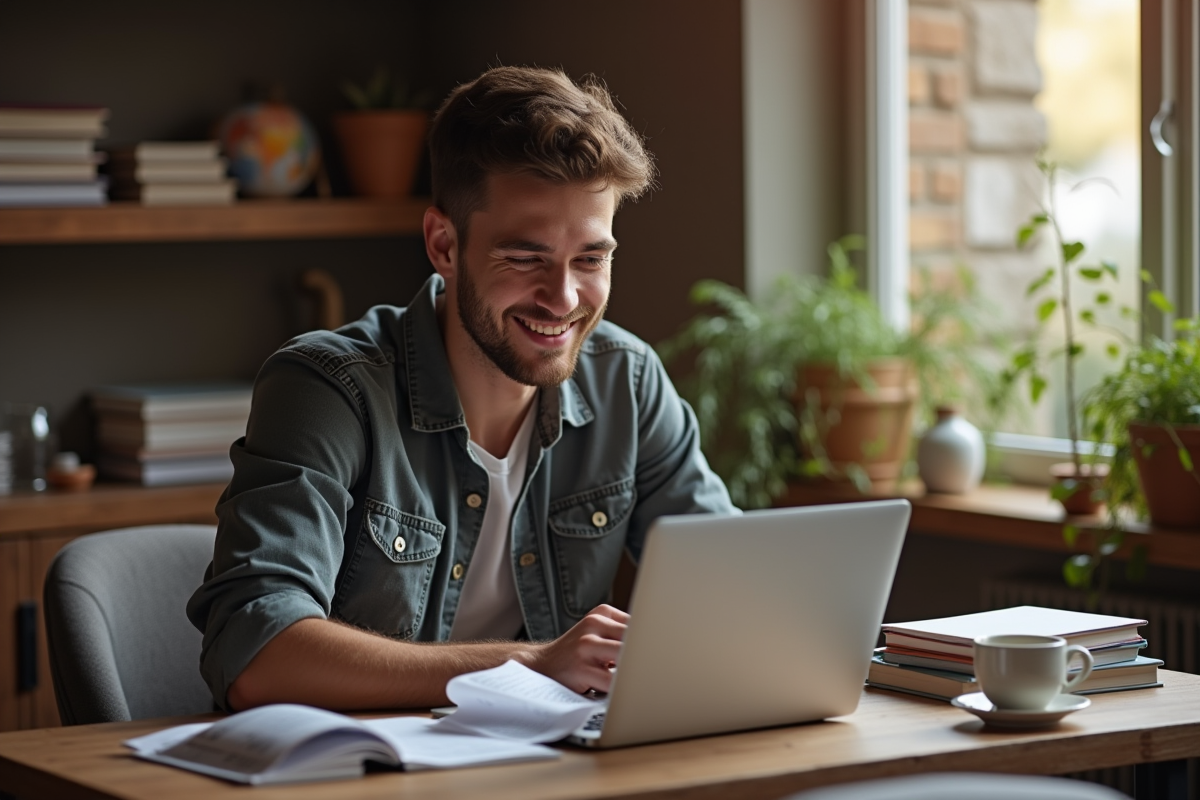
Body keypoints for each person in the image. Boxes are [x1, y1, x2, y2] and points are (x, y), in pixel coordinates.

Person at [186, 65, 735, 712]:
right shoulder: (327, 389)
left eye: (590, 259)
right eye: (525, 257)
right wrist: (533, 664)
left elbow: (728, 586)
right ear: (444, 245)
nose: (563, 299)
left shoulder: (628, 381)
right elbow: (259, 656)